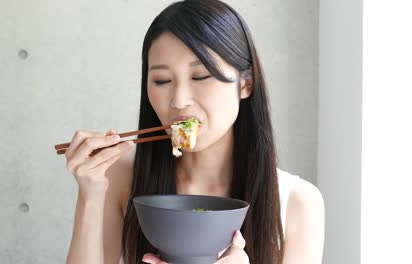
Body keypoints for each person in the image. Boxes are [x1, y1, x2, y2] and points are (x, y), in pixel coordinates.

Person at [64, 0, 325, 263]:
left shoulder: (298, 203)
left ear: (246, 83)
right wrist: (91, 191)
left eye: (200, 76)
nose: (179, 101)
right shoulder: (121, 176)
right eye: (162, 81)